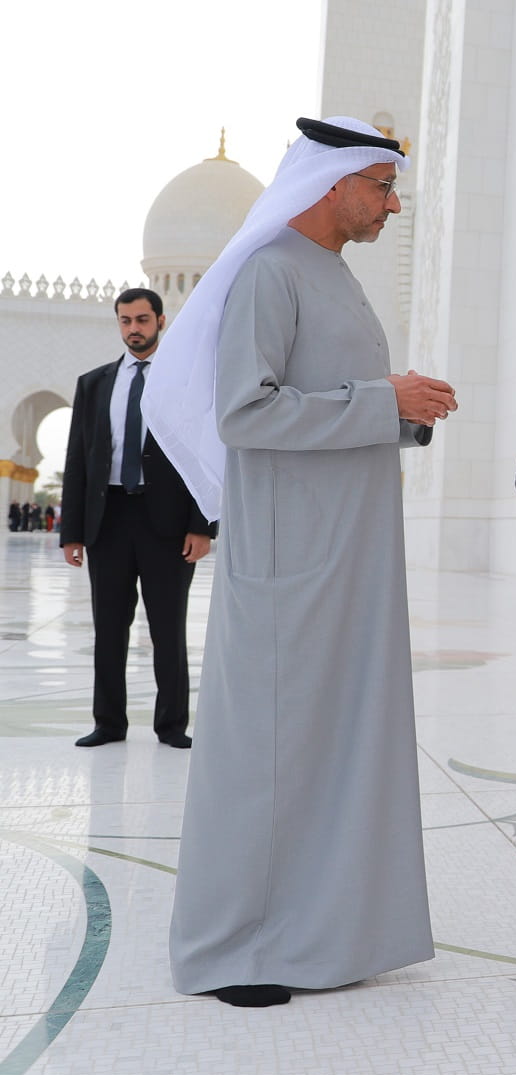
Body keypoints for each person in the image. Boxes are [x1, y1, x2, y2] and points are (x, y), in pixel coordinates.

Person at [151, 116, 457, 1009]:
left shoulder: (331, 275)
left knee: (332, 746)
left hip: (346, 559)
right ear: (336, 183)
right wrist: (380, 398)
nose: (391, 205)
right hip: (293, 564)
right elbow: (245, 413)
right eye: (382, 187)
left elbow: (330, 402)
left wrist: (402, 415)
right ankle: (234, 949)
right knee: (268, 755)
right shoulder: (269, 270)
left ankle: (321, 934)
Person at [59, 287, 215, 749]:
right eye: (126, 321)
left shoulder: (186, 380)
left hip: (165, 522)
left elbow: (202, 454)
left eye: (143, 320)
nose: (134, 329)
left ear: (161, 322)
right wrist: (73, 531)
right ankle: (108, 723)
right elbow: (78, 460)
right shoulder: (95, 383)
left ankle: (171, 726)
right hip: (108, 519)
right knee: (108, 628)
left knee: (168, 628)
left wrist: (202, 525)